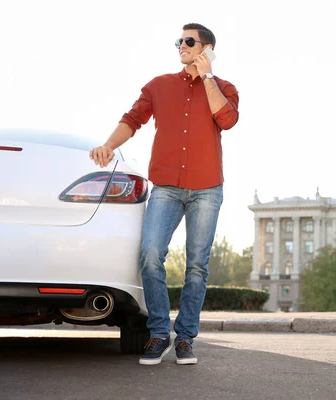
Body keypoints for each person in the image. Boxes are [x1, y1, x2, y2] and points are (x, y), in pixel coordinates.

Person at [89, 23, 239, 366]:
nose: (181, 46)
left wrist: (208, 78)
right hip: (166, 188)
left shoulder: (224, 87)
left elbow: (227, 120)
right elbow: (133, 118)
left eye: (189, 41)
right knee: (151, 254)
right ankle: (159, 333)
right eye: (179, 41)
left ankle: (185, 338)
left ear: (207, 49)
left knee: (197, 267)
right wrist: (108, 146)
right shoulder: (159, 86)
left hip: (207, 189)